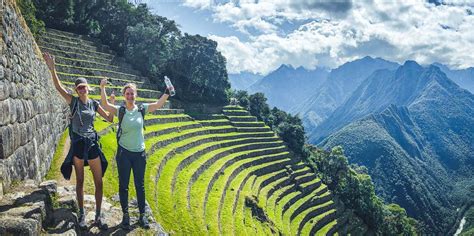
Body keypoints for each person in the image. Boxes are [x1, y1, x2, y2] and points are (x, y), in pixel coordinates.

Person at [43, 52, 113, 230]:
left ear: (88, 88)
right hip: (78, 144)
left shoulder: (94, 104)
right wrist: (53, 69)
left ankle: (98, 215)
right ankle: (82, 213)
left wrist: (112, 103)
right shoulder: (73, 101)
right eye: (79, 88)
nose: (82, 90)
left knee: (99, 181)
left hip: (91, 144)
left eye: (84, 87)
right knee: (80, 180)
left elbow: (110, 119)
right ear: (76, 90)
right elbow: (58, 88)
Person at [99, 78, 171, 229]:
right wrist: (102, 87)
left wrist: (167, 92)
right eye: (127, 94)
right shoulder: (121, 110)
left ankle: (142, 216)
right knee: (123, 185)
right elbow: (105, 105)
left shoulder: (142, 108)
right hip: (124, 153)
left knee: (140, 185)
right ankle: (125, 215)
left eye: (132, 93)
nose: (130, 96)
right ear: (124, 95)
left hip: (139, 154)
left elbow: (158, 105)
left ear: (136, 95)